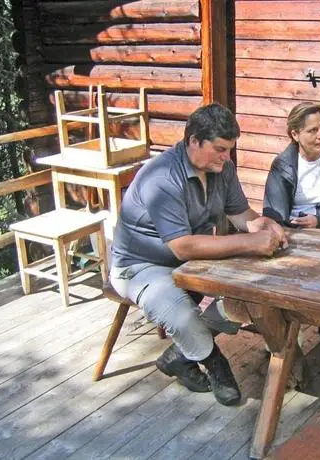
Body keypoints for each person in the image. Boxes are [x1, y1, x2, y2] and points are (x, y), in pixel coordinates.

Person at [109, 103, 287, 406]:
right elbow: (182, 246)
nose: (226, 157)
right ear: (193, 140)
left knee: (249, 294)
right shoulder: (162, 177)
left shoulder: (222, 168)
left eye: (229, 150)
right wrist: (251, 243)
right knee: (180, 315)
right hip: (141, 267)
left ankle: (179, 356)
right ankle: (216, 363)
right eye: (219, 149)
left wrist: (267, 226)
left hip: (193, 262)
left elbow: (241, 214)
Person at [262, 102, 320, 234]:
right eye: (313, 130)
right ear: (295, 135)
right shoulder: (282, 167)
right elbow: (274, 215)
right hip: (291, 232)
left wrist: (319, 221)